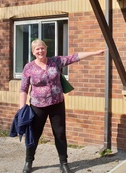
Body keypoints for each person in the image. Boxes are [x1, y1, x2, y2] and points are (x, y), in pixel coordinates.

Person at [19, 39, 106, 173]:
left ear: (46, 49)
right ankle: (28, 161)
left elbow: (74, 57)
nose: (40, 51)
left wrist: (94, 53)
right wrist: (22, 108)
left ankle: (64, 163)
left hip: (57, 104)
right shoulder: (29, 67)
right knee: (34, 135)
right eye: (37, 49)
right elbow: (23, 89)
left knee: (60, 134)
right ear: (33, 52)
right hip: (37, 106)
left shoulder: (55, 61)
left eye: (42, 48)